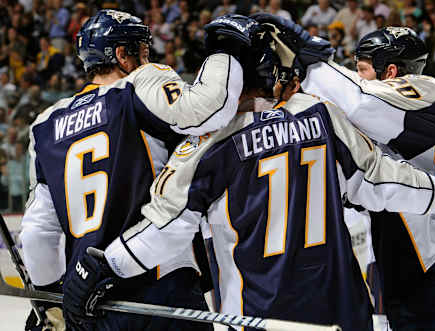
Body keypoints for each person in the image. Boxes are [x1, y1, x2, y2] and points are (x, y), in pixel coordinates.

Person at [61, 26, 435, 331]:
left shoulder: (210, 145)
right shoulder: (320, 115)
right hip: (344, 316)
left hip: (259, 318)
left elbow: (167, 228)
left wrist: (104, 265)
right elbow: (380, 180)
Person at [20, 10, 259, 331]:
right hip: (161, 286)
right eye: (142, 52)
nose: (147, 60)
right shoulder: (137, 85)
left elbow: (38, 233)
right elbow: (208, 108)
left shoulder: (46, 125)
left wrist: (50, 298)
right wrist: (226, 50)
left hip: (91, 301)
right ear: (121, 55)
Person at [254, 16, 435, 331]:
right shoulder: (380, 114)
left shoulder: (427, 91)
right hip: (401, 264)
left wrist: (309, 57)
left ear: (391, 71)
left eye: (361, 69)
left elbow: (359, 101)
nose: (356, 76)